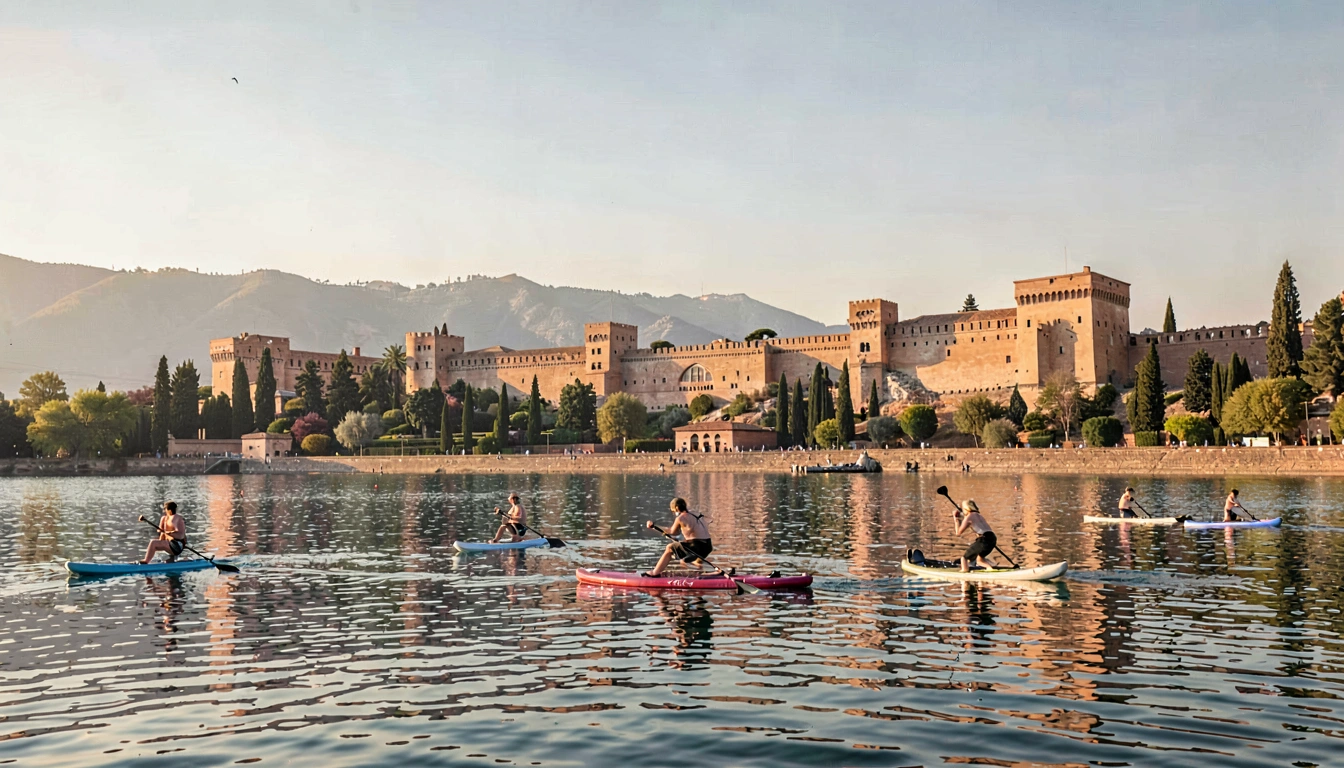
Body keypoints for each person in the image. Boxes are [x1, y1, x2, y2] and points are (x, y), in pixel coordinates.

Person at [643, 497, 721, 578]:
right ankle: (706, 569)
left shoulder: (680, 518)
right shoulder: (696, 513)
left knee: (669, 548)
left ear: (676, 508)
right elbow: (709, 520)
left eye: (673, 510)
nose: (673, 512)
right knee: (689, 557)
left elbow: (672, 531)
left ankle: (655, 572)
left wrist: (654, 526)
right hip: (708, 546)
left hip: (696, 546)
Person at [953, 499, 997, 572]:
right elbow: (979, 529)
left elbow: (958, 533)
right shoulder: (979, 515)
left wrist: (956, 520)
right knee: (979, 560)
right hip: (992, 537)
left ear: (966, 509)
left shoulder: (969, 517)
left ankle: (964, 571)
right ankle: (991, 567)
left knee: (964, 558)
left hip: (984, 539)